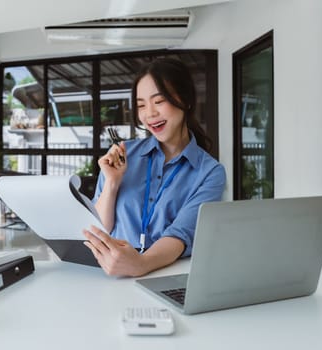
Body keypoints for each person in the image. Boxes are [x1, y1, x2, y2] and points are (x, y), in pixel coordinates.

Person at [83, 58, 226, 277]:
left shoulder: (210, 172)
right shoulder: (123, 155)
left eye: (158, 101)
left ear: (185, 100)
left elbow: (181, 234)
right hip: (108, 274)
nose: (149, 114)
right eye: (141, 105)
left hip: (164, 276)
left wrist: (141, 263)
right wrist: (111, 183)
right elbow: (98, 229)